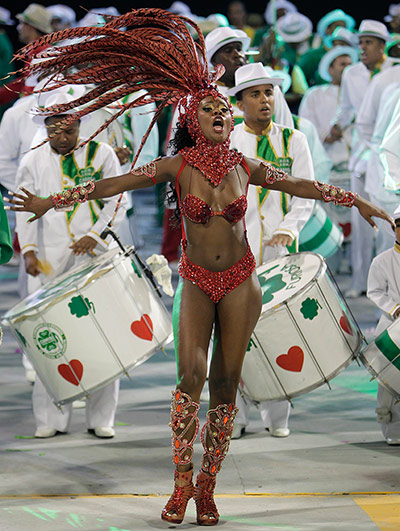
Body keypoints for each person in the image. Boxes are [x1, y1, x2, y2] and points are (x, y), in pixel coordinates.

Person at [4, 9, 393, 527]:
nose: (221, 114)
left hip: (241, 280)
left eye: (223, 110)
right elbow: (108, 186)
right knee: (190, 376)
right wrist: (51, 202)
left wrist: (358, 201)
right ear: (193, 119)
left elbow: (303, 185)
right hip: (194, 278)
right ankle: (180, 484)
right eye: (210, 108)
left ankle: (208, 489)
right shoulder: (176, 165)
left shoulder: (245, 166)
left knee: (227, 384)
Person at [14, 91, 128, 439]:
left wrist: (95, 235)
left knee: (102, 334)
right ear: (45, 128)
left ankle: (100, 416)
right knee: (49, 339)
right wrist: (29, 251)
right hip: (50, 260)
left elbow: (119, 200)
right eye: (54, 130)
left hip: (94, 259)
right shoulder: (32, 162)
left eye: (69, 129)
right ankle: (50, 418)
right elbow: (23, 209)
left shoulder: (102, 154)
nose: (62, 137)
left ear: (81, 124)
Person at [229, 62, 315, 439]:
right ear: (240, 102)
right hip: (235, 253)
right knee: (233, 332)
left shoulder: (294, 140)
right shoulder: (228, 141)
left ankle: (277, 415)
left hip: (280, 255)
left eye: (268, 92)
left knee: (278, 330)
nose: (264, 100)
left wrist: (287, 228)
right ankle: (236, 415)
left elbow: (307, 193)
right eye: (255, 94)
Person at [330, 20, 394, 298]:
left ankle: (389, 283)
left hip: (391, 157)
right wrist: (334, 128)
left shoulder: (395, 70)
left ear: (382, 46)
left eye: (369, 42)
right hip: (360, 154)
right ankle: (360, 282)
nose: (363, 48)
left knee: (390, 223)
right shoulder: (352, 74)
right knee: (362, 221)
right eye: (361, 42)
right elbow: (346, 111)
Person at [366, 205, 400, 445]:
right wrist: (394, 308)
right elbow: (375, 291)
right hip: (391, 326)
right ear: (393, 229)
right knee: (388, 381)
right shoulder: (382, 261)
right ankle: (391, 428)